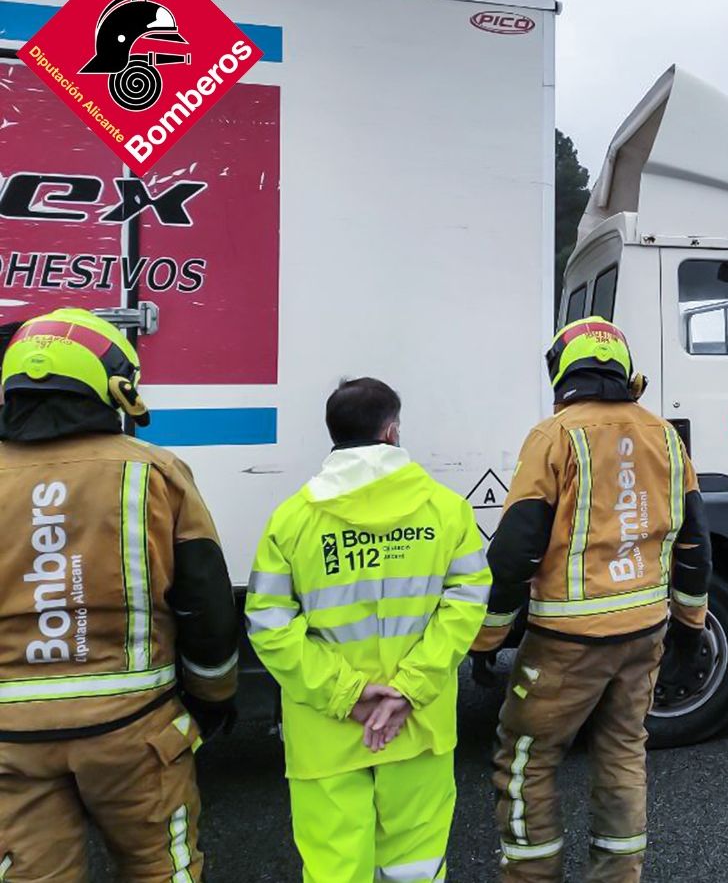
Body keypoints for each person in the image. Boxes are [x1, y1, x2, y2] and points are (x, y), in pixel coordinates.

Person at [0, 308, 238, 881]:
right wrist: (213, 698)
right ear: (116, 388)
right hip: (135, 731)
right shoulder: (156, 473)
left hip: (11, 742)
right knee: (160, 871)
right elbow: (205, 604)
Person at [476, 317, 711, 883]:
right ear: (624, 370)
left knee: (526, 758)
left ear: (562, 370)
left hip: (565, 643)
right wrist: (690, 626)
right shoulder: (665, 437)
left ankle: (532, 877)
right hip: (644, 634)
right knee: (623, 752)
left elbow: (514, 552)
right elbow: (695, 545)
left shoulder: (554, 437)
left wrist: (488, 637)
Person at [245, 377, 490, 882]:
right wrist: (408, 689)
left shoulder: (291, 520)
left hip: (325, 732)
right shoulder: (447, 510)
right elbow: (467, 603)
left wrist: (349, 695)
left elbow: (268, 624)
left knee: (335, 868)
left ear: (333, 433)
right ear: (392, 431)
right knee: (415, 865)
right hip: (418, 724)